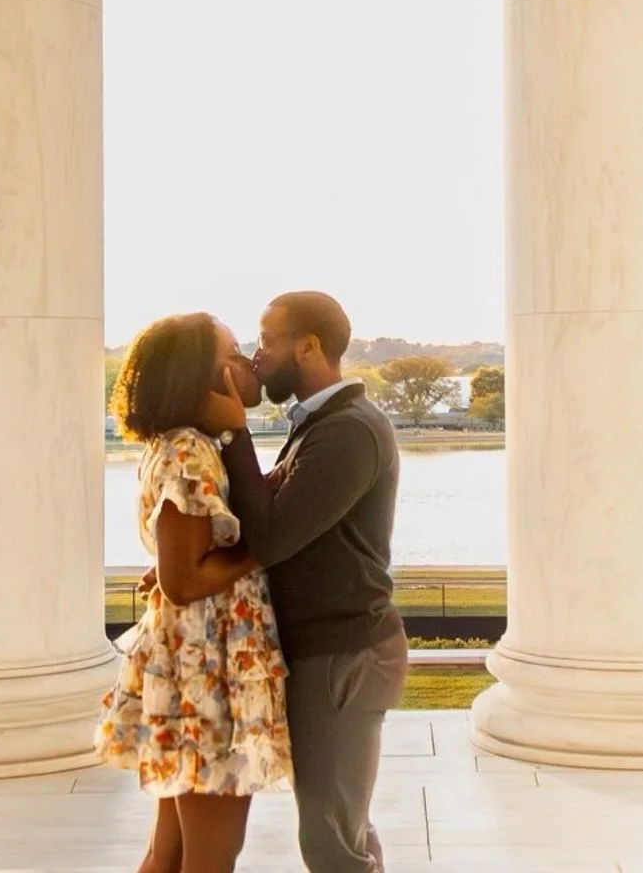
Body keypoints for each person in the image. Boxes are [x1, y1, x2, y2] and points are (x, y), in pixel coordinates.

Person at [201, 291, 406, 873]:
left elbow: (272, 538)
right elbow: (272, 517)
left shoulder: (348, 432)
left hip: (345, 655)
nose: (257, 355)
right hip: (330, 651)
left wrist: (237, 432)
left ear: (309, 346)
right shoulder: (320, 426)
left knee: (331, 843)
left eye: (267, 340)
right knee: (344, 832)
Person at [96, 312, 292, 873]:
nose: (247, 362)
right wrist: (271, 541)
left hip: (198, 663)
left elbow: (178, 562)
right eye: (232, 355)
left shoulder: (186, 445)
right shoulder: (190, 452)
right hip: (207, 670)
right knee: (210, 857)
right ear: (203, 380)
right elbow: (184, 582)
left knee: (170, 853)